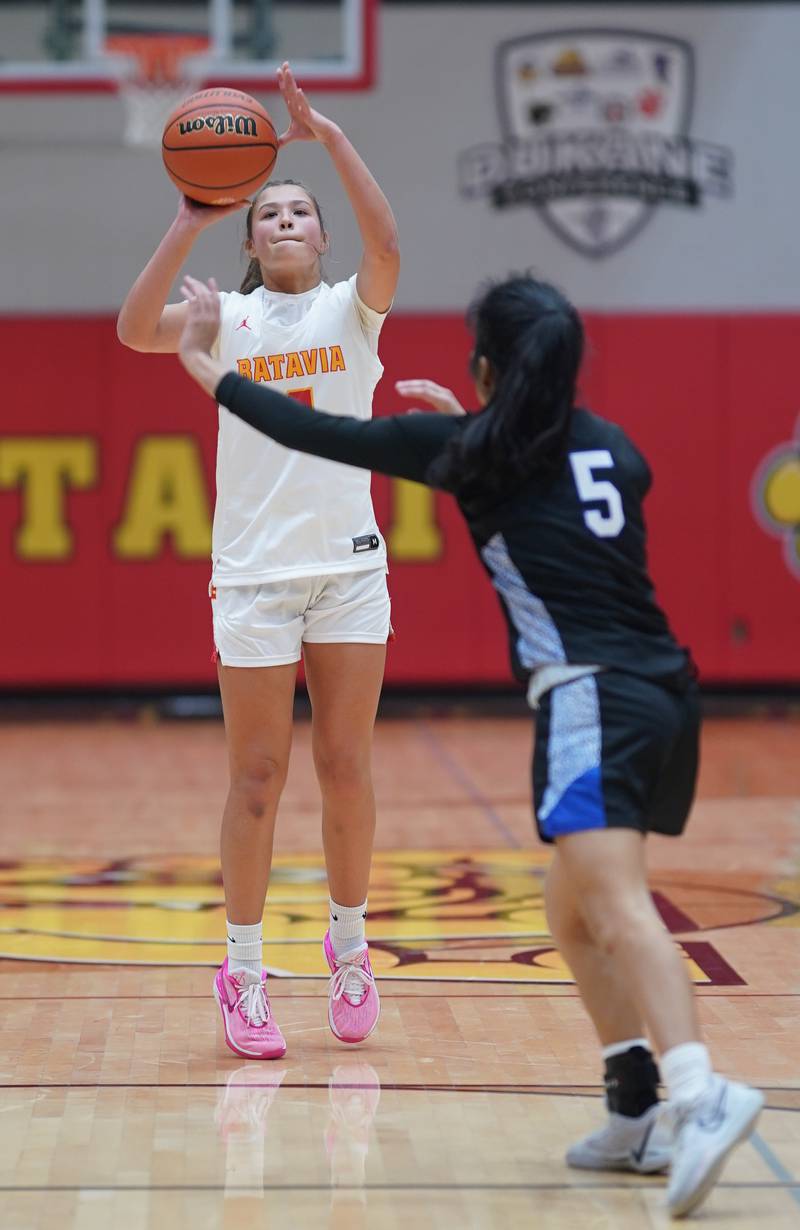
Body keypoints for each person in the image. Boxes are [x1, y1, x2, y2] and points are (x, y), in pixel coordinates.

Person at [176, 270, 764, 1218]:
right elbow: (545, 495)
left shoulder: (464, 448)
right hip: (668, 695)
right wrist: (481, 429)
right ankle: (632, 1110)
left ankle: (700, 1094)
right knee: (568, 916)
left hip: (592, 700)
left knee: (616, 909)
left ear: (486, 365)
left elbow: (313, 430)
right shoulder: (615, 448)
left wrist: (207, 368)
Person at [117, 63, 400, 1060]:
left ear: (318, 237)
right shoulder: (223, 320)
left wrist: (327, 140)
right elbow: (131, 329)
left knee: (346, 766)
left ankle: (350, 947)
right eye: (267, 213)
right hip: (251, 578)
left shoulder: (350, 312)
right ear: (250, 238)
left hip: (348, 571)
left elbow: (389, 243)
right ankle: (240, 972)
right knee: (256, 776)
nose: (284, 221)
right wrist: (188, 219)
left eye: (299, 213)